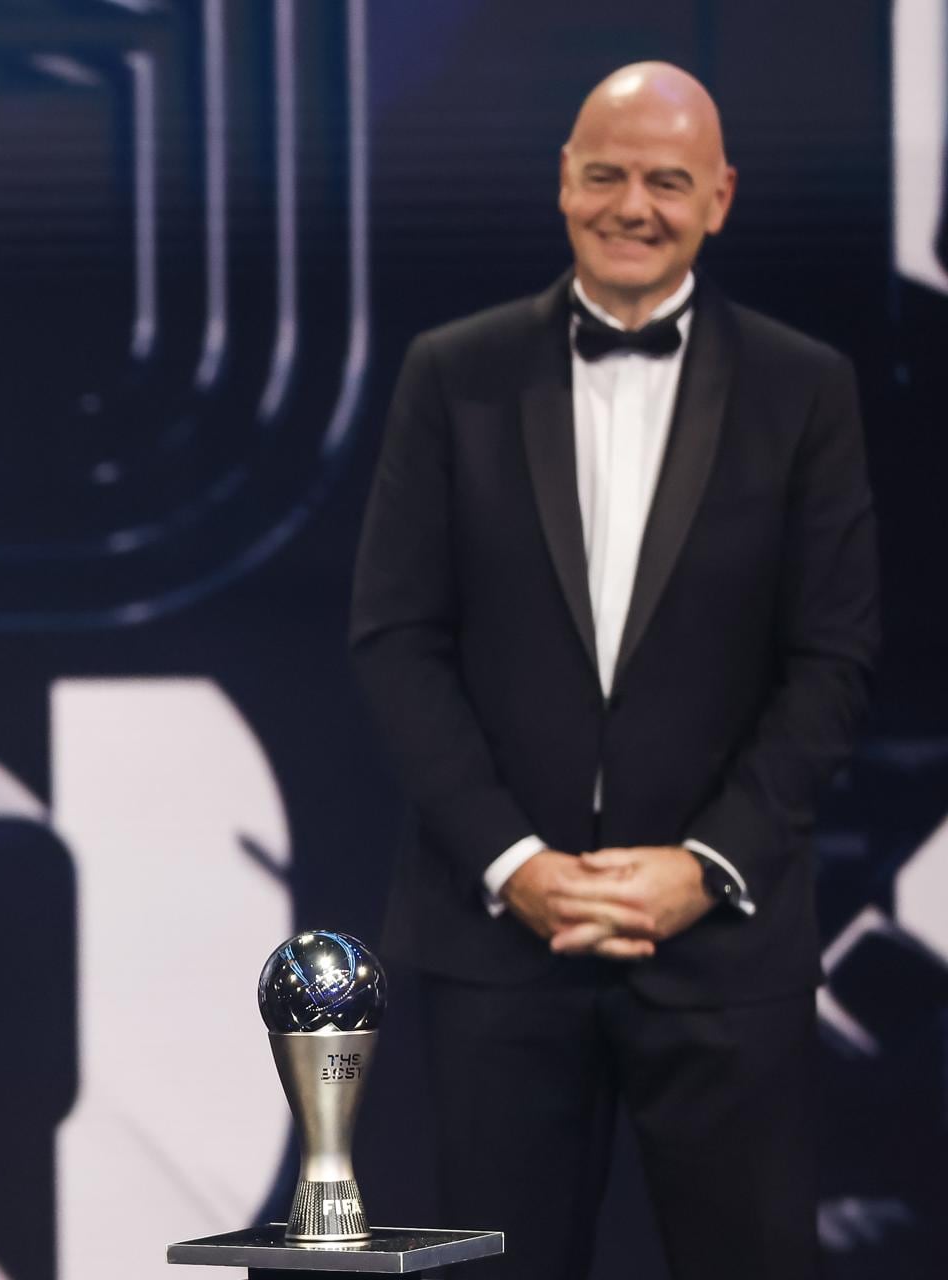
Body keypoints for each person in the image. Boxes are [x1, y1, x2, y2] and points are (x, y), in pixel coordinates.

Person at [349, 63, 877, 1279]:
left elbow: (833, 659)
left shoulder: (807, 389)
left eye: (667, 179)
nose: (632, 202)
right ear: (563, 183)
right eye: (606, 172)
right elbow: (395, 639)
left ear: (721, 198)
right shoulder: (452, 372)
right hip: (497, 948)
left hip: (722, 948)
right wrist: (517, 863)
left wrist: (704, 866)